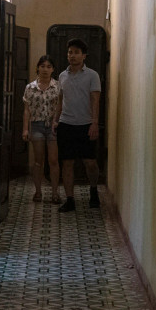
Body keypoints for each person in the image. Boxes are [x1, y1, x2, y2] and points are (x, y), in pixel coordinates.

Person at [53, 38, 101, 212]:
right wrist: (55, 120)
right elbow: (60, 100)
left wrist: (94, 123)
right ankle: (70, 199)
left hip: (86, 124)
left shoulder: (92, 75)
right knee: (67, 163)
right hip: (66, 124)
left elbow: (95, 100)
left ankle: (94, 191)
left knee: (90, 163)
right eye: (69, 52)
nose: (72, 56)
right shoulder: (62, 75)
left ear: (84, 55)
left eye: (76, 52)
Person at [22, 55, 62, 204]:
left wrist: (56, 121)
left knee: (53, 160)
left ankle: (55, 193)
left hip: (53, 125)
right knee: (38, 161)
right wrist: (25, 129)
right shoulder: (30, 87)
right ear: (38, 67)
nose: (45, 69)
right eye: (42, 66)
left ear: (53, 69)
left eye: (48, 66)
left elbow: (60, 106)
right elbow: (27, 110)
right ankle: (38, 191)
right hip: (37, 125)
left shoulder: (57, 86)